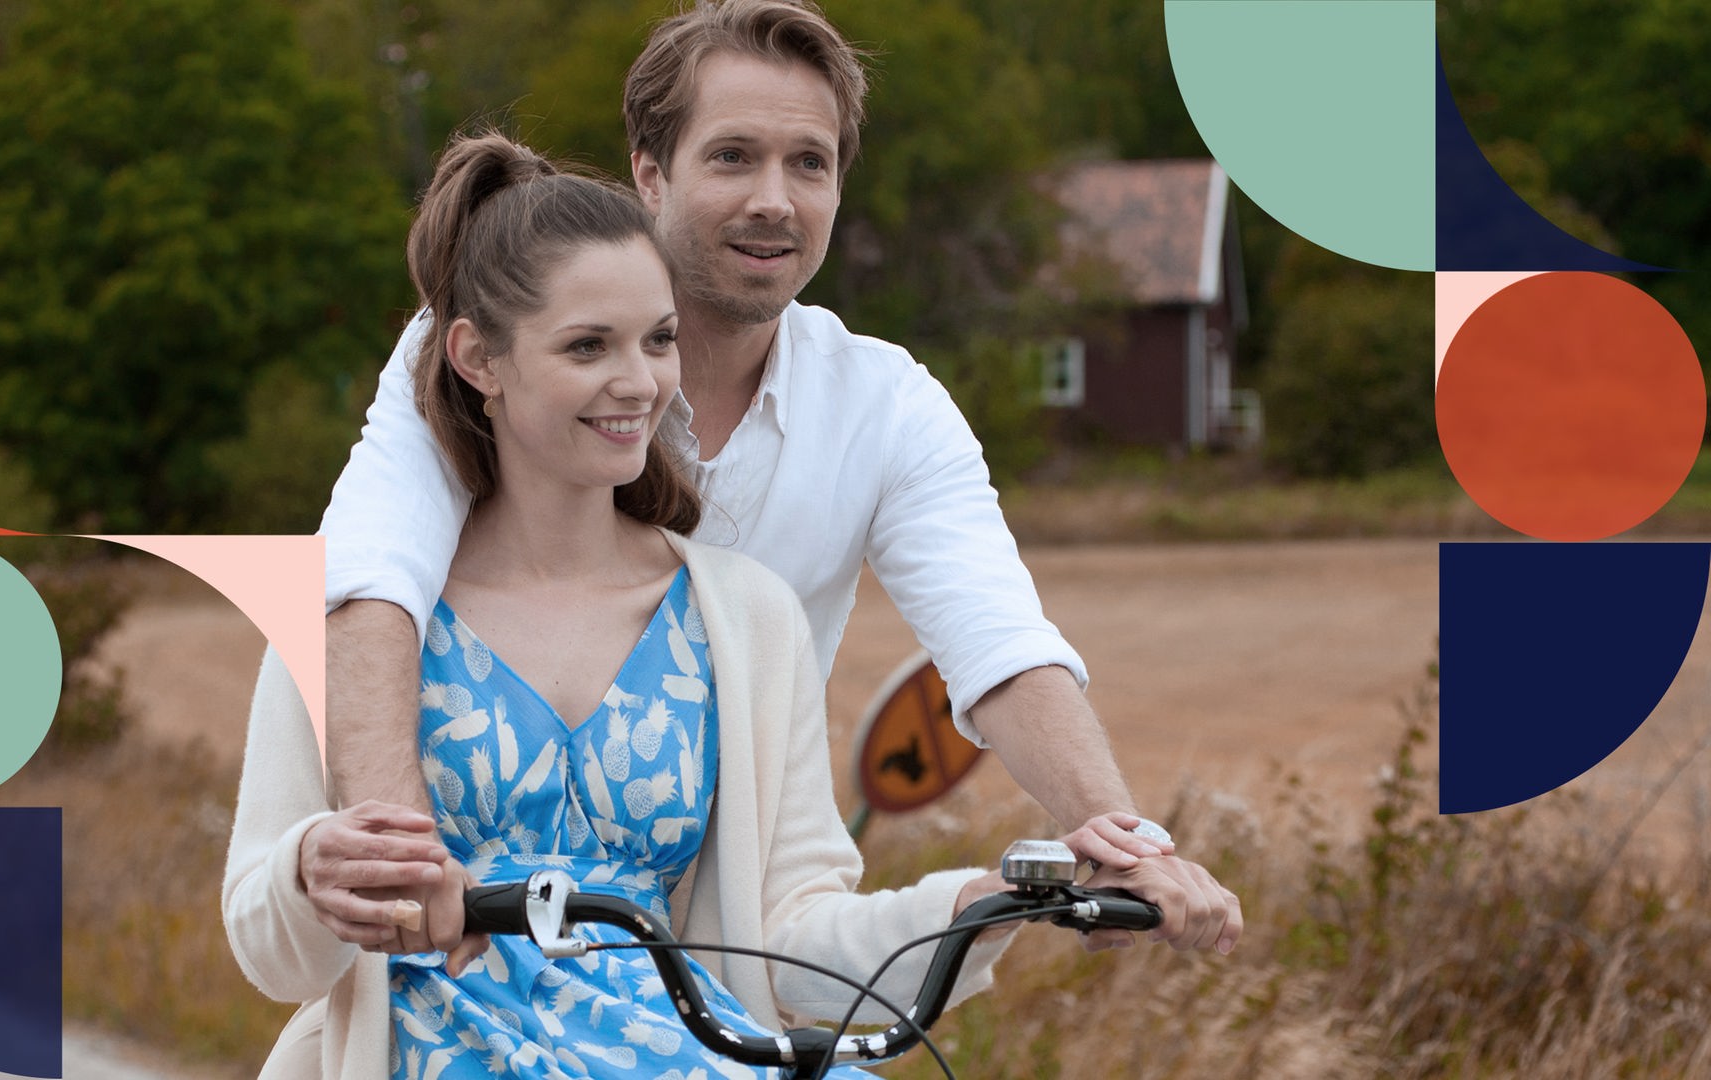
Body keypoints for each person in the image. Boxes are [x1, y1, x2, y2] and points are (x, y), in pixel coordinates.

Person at [321, 0, 1238, 960]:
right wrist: (403, 860)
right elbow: (365, 577)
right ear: (648, 172)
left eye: (811, 163)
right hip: (478, 932)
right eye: (732, 157)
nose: (776, 199)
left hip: (746, 938)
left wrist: (1121, 837)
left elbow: (999, 643)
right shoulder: (478, 347)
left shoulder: (885, 403)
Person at [225, 131, 1025, 1079]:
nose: (639, 382)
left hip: (677, 1052)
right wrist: (315, 868)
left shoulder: (742, 619)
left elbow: (791, 933)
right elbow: (268, 949)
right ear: (479, 358)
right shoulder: (362, 619)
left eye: (658, 339)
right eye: (587, 346)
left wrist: (976, 904)